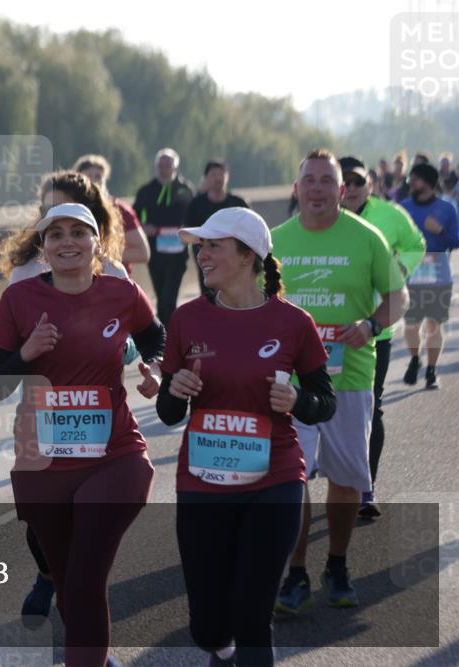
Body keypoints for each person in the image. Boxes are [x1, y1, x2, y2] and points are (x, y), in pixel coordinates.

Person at [0, 202, 165, 667]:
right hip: (41, 465)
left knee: (84, 580)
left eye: (78, 232)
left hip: (116, 456)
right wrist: (25, 353)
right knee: (69, 588)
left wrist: (157, 371)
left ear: (97, 243)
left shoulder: (121, 293)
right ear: (43, 248)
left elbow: (155, 337)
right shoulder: (19, 300)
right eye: (56, 234)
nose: (67, 242)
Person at [158, 207, 335, 667]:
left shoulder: (293, 323)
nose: (203, 255)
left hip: (274, 480)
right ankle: (221, 648)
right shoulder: (185, 320)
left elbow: (324, 401)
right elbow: (168, 411)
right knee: (207, 626)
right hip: (203, 482)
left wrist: (296, 400)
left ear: (247, 255)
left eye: (214, 246)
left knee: (254, 617)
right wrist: (175, 391)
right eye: (201, 247)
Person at [0, 169, 136, 625]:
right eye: (47, 211)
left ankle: (78, 601)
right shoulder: (24, 272)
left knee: (89, 541)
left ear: (93, 225)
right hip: (40, 418)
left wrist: (128, 350)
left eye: (73, 220)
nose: (64, 235)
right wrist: (25, 351)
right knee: (44, 523)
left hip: (100, 427)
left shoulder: (111, 270)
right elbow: (0, 358)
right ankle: (47, 573)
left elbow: (135, 335)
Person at [273, 149, 407, 613]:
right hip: (290, 380)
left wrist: (371, 325)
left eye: (326, 181)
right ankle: (295, 573)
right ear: (297, 189)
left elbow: (398, 296)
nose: (316, 189)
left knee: (348, 476)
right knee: (293, 477)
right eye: (308, 180)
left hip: (350, 375)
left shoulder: (367, 237)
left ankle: (337, 564)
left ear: (342, 190)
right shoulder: (274, 241)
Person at [338, 156, 426, 518]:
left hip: (375, 329)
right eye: (346, 182)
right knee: (308, 404)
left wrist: (396, 273)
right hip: (321, 331)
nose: (353, 188)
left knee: (370, 405)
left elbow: (416, 244)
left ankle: (365, 486)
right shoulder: (315, 219)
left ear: (369, 185)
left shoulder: (390, 216)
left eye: (359, 182)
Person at [399, 164, 459, 390]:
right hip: (411, 270)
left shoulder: (447, 208)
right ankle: (415, 359)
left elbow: (456, 241)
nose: (410, 183)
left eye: (414, 179)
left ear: (427, 182)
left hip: (439, 271)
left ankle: (431, 372)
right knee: (411, 325)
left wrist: (441, 232)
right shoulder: (403, 208)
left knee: (434, 326)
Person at [133, 147, 195, 324]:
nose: (163, 168)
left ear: (175, 167)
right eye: (160, 164)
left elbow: (194, 215)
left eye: (168, 164)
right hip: (155, 251)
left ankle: (168, 334)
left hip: (178, 252)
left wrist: (187, 228)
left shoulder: (185, 189)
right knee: (161, 297)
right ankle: (164, 335)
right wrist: (144, 227)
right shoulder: (146, 191)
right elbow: (134, 216)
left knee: (170, 298)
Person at [72, 154, 151, 273]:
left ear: (105, 179)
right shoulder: (71, 210)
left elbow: (142, 253)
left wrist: (100, 252)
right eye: (87, 177)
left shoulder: (121, 210)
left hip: (115, 281)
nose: (93, 181)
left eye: (98, 176)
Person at [184, 160, 250, 294]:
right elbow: (188, 231)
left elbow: (250, 230)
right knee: (208, 294)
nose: (218, 178)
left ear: (228, 176)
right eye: (213, 174)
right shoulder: (196, 204)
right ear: (206, 178)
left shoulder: (238, 203)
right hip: (205, 259)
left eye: (221, 174)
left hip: (233, 261)